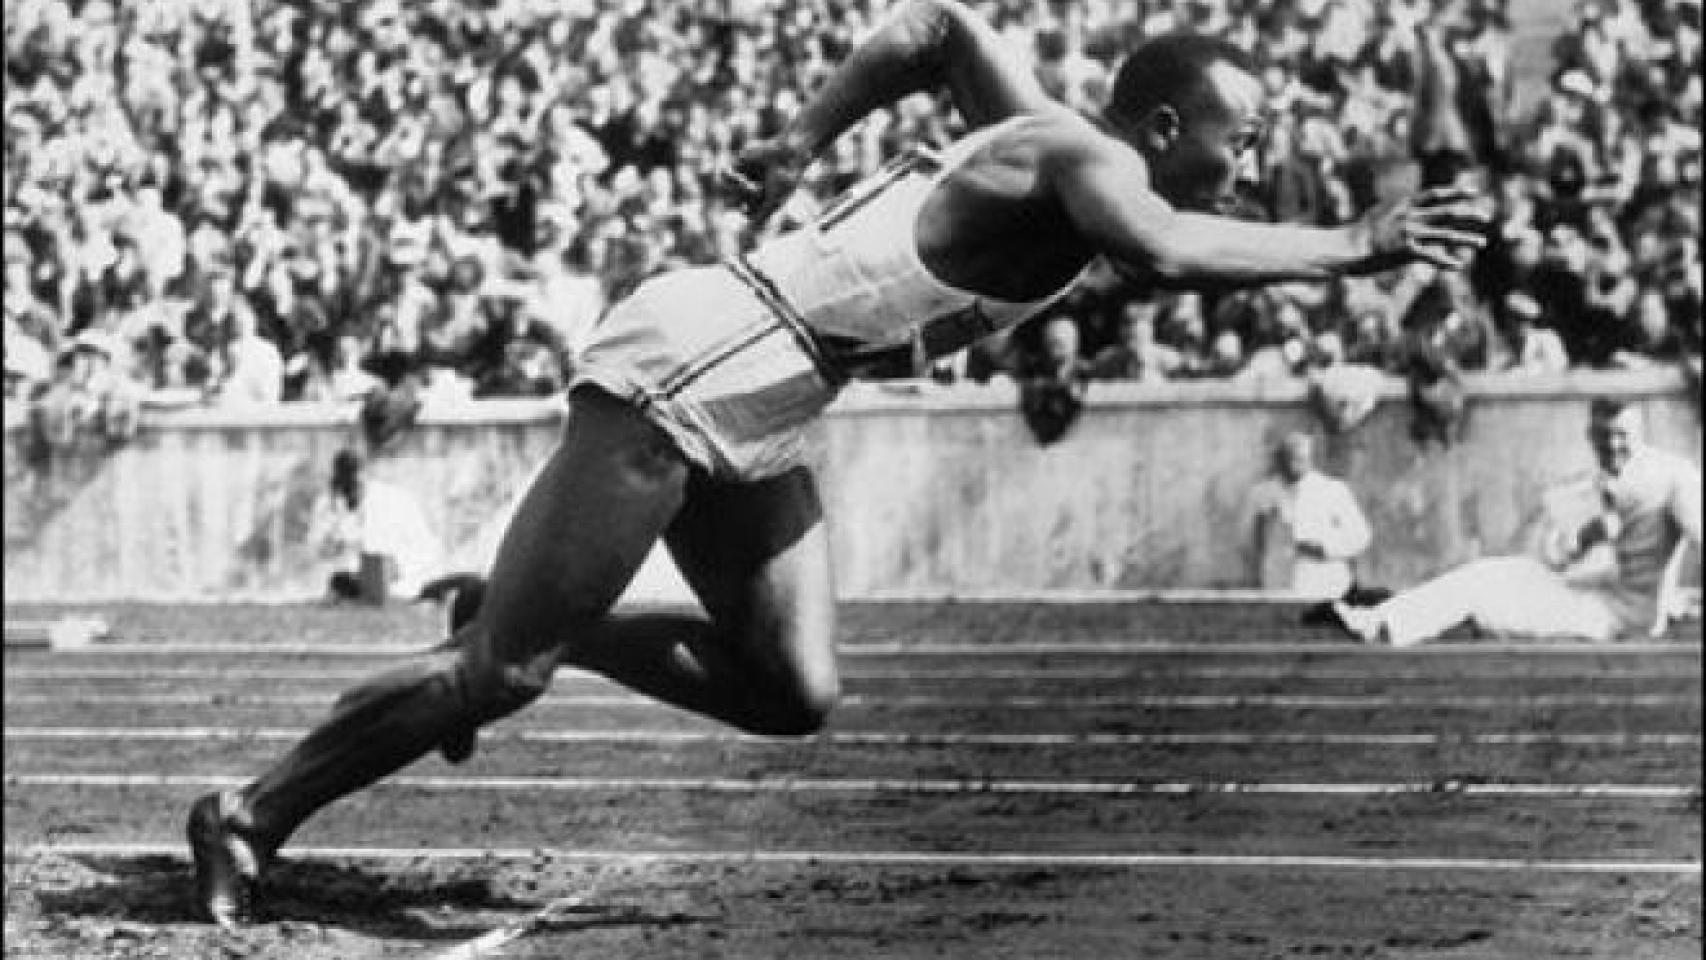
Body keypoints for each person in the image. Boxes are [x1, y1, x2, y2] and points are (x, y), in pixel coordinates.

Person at [187, 0, 1490, 927]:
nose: (1250, 159)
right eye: (1242, 134)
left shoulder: (1044, 136)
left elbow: (933, 31)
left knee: (790, 686)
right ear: (1159, 122)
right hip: (703, 359)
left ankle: (557, 627)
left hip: (774, 386)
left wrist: (803, 139)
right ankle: (249, 812)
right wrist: (1356, 247)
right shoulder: (1094, 157)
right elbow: (1162, 247)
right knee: (498, 674)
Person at [1332, 399, 1701, 646]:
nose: (1614, 446)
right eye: (1604, 437)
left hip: (1623, 615)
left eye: (1624, 437)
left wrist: (1680, 599)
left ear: (1643, 436)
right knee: (1492, 571)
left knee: (1480, 592)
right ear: (1590, 436)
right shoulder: (1590, 482)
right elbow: (1556, 556)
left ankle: (1381, 624)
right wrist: (1586, 537)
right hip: (1590, 588)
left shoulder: (1673, 476)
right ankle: (1383, 618)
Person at [1250, 431, 1374, 603]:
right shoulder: (1264, 493)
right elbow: (1252, 538)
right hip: (1279, 585)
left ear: (1310, 459)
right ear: (1279, 461)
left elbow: (1361, 536)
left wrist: (1325, 547)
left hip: (1325, 584)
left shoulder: (1332, 490)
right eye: (1287, 459)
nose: (1293, 465)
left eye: (1300, 459)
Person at [316, 449, 445, 604]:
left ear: (364, 476)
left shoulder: (395, 501)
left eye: (354, 485)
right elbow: (316, 550)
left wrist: (396, 567)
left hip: (400, 589)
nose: (349, 493)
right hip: (346, 591)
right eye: (344, 487)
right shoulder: (328, 503)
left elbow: (427, 548)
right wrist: (331, 543)